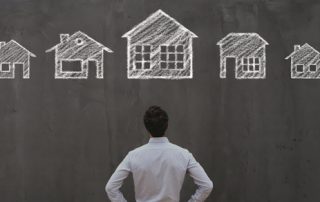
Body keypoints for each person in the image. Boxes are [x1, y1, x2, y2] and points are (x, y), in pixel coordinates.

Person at [105, 106, 213, 202]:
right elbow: (207, 186)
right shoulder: (183, 154)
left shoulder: (133, 155)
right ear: (166, 125)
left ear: (146, 127)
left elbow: (110, 188)